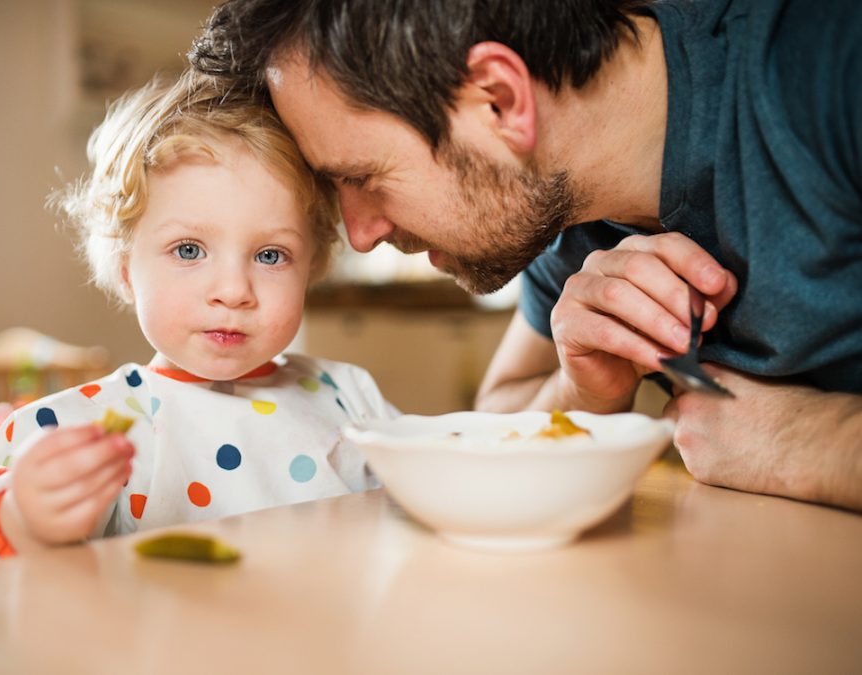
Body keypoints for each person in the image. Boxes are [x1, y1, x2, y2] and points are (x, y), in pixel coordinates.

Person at [189, 0, 862, 511]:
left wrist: (807, 443)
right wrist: (585, 386)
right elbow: (503, 411)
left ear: (500, 99)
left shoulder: (827, 67)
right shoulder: (563, 208)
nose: (358, 233)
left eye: (360, 176)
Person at [0, 71, 396, 567]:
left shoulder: (350, 397)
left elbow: (419, 514)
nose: (233, 291)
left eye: (270, 255)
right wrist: (23, 520)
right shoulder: (76, 429)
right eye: (190, 249)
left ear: (312, 267)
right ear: (127, 270)